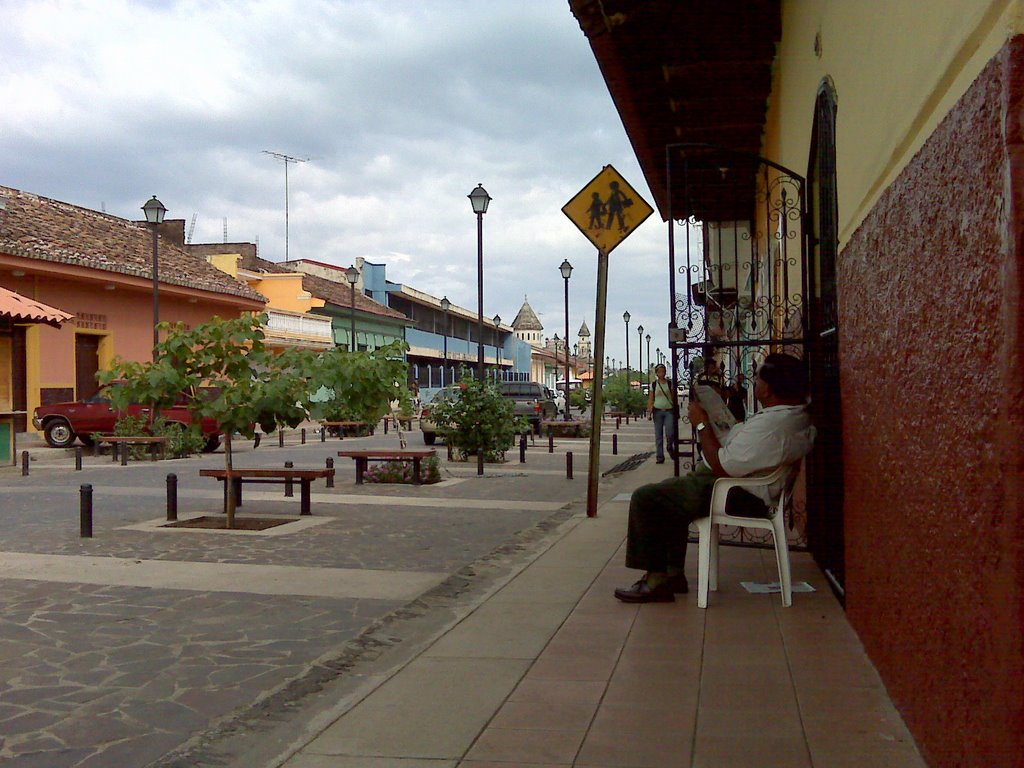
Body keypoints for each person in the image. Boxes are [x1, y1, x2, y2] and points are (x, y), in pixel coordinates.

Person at [614, 353, 815, 603]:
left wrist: (701, 425)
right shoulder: (789, 415)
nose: (755, 383)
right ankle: (672, 574)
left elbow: (722, 466)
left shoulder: (774, 424)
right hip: (742, 486)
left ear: (770, 388)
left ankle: (655, 581)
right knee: (670, 494)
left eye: (759, 379)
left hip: (738, 492)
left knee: (647, 498)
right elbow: (743, 448)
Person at [648, 363, 676, 464]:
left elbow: (673, 396)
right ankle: (660, 457)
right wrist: (649, 410)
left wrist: (674, 407)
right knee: (658, 435)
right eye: (659, 372)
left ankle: (669, 446)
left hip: (668, 410)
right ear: (656, 373)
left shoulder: (669, 383)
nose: (661, 373)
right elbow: (651, 398)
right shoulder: (654, 385)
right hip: (657, 411)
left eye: (663, 371)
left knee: (670, 432)